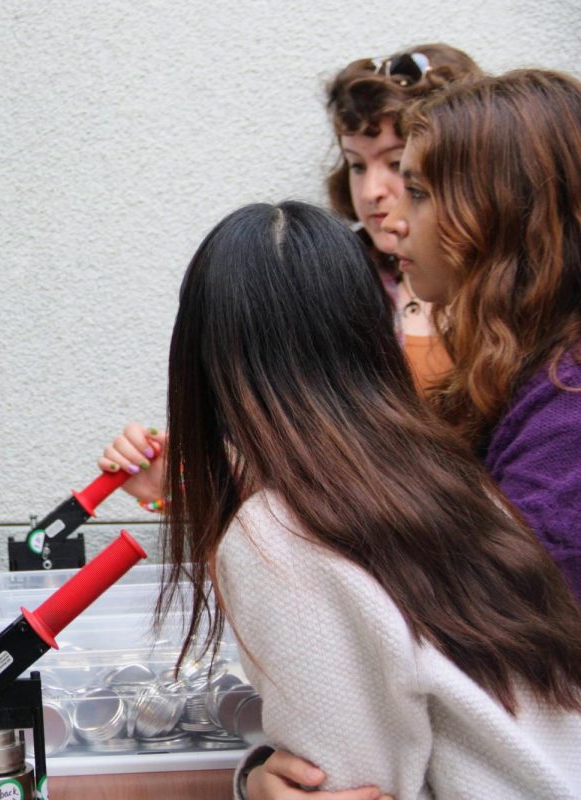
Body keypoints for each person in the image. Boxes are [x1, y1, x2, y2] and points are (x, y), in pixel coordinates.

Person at [109, 202, 581, 799]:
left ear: (203, 355)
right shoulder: (441, 470)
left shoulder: (276, 536)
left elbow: (342, 785)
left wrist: (253, 785)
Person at [383, 68, 581, 601]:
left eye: (419, 193)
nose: (394, 221)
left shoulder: (571, 409)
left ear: (504, 213)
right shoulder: (521, 367)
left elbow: (514, 620)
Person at [324, 44, 482, 393]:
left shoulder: (504, 284)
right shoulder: (336, 280)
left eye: (396, 165)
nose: (370, 192)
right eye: (357, 165)